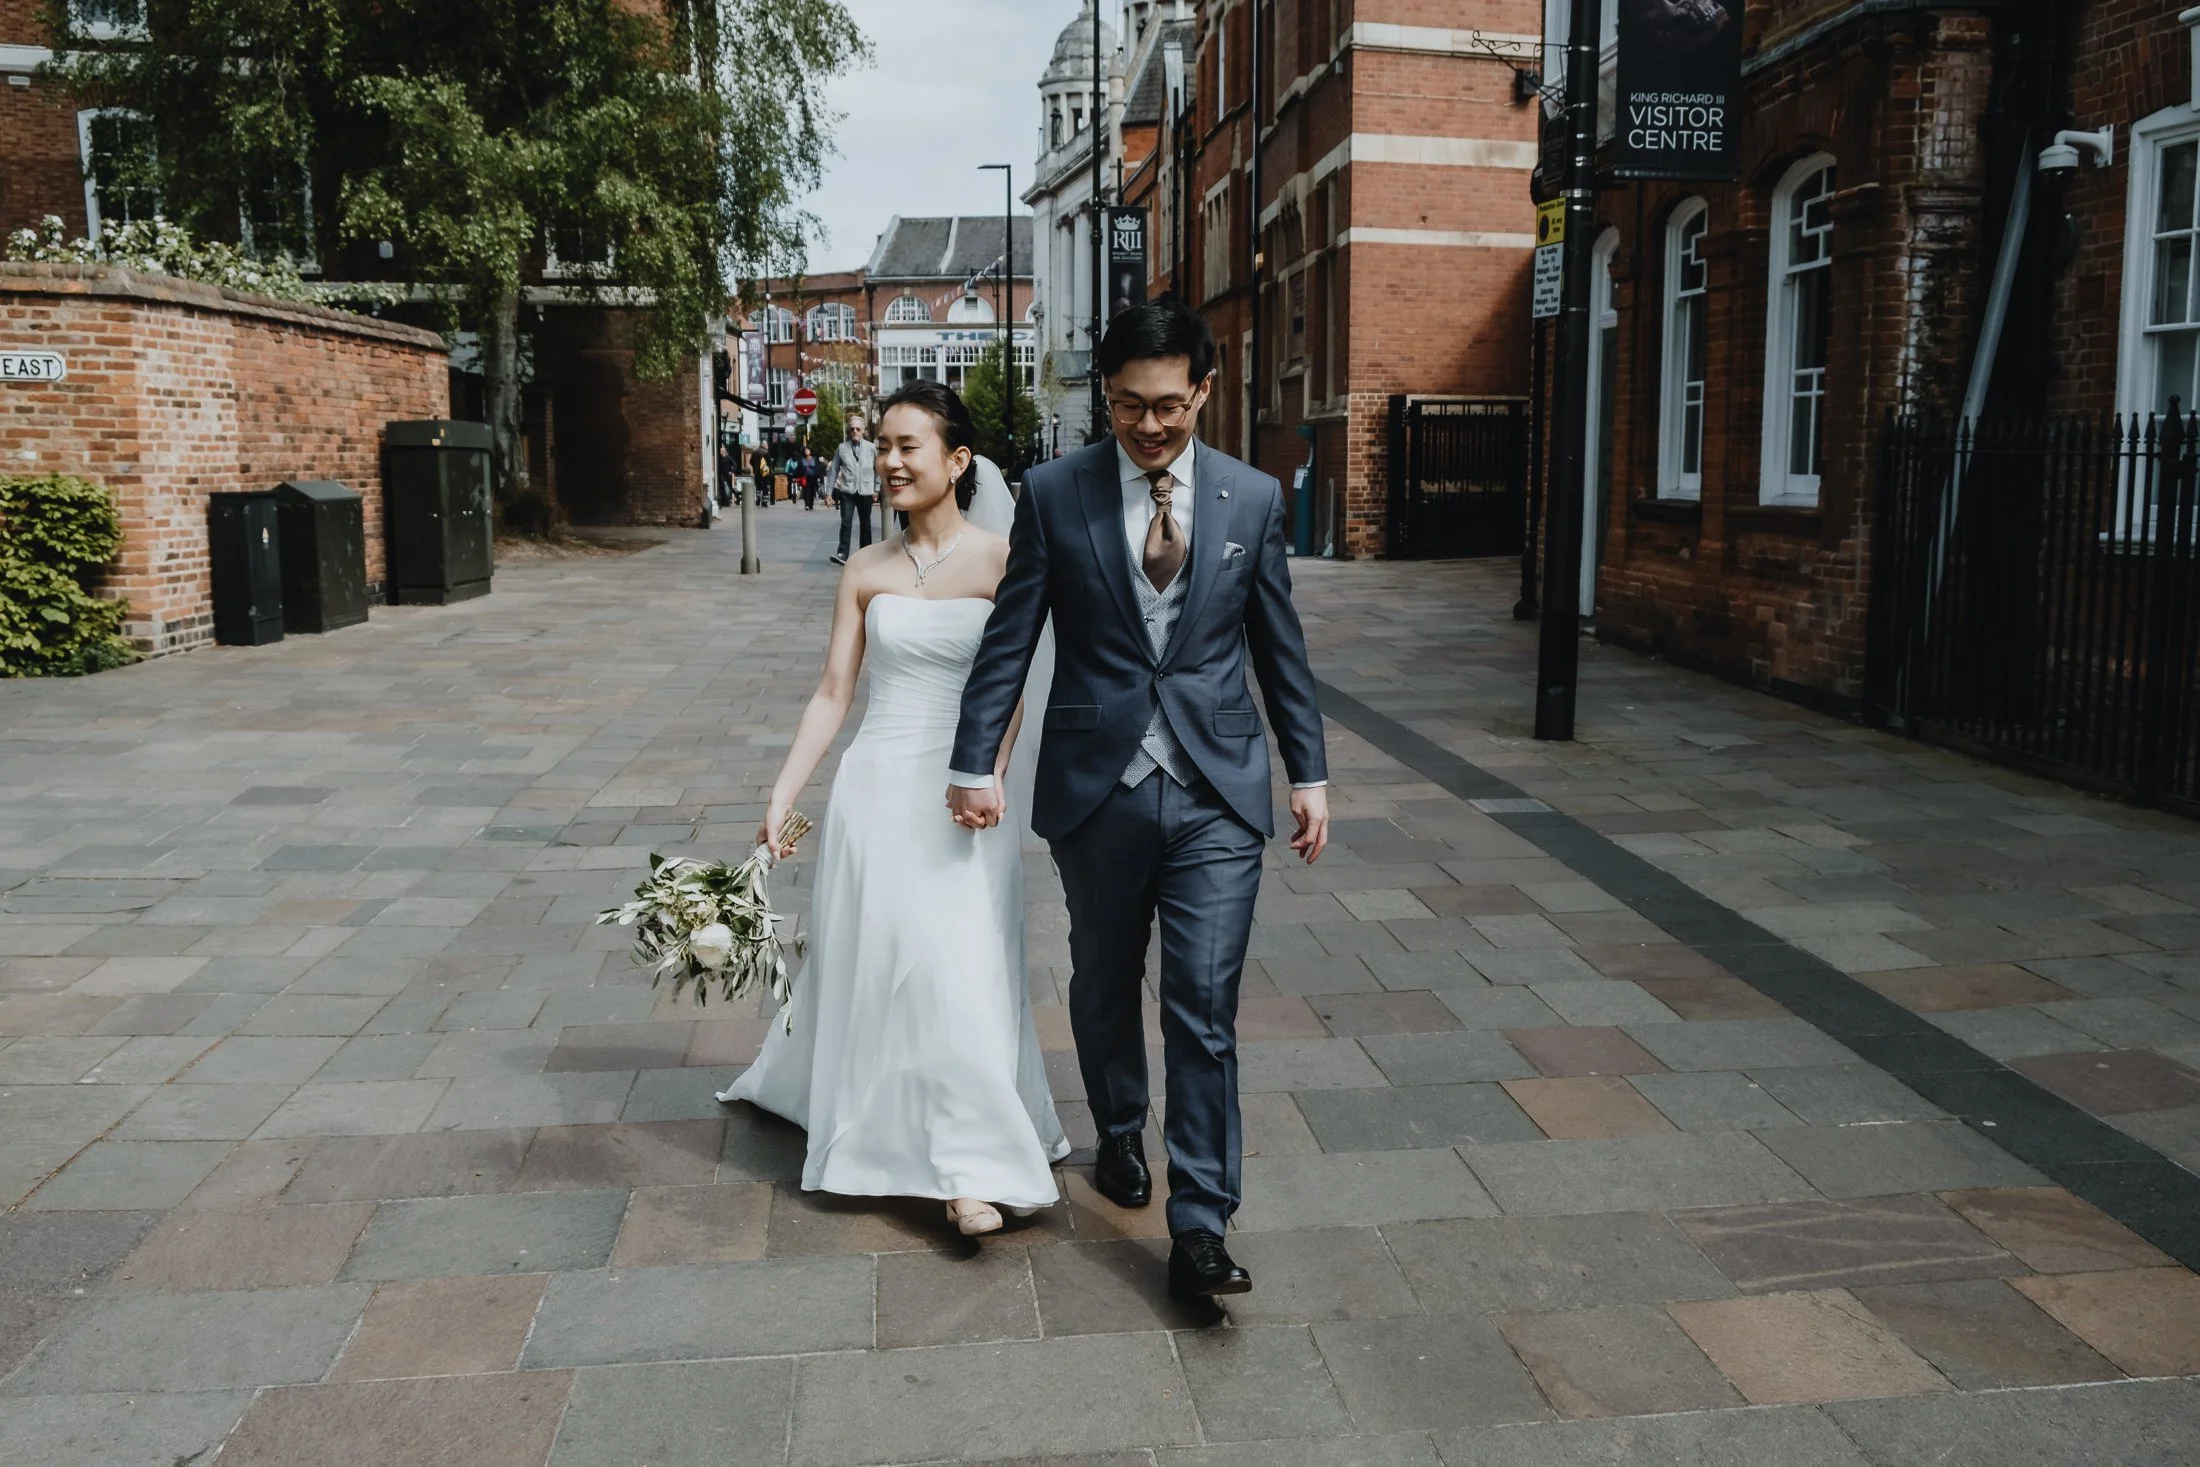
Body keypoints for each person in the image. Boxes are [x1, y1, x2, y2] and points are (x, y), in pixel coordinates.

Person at [947, 296, 1329, 1303]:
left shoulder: (1250, 498)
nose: (1148, 426)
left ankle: (1199, 1223)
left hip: (1217, 791)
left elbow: (1277, 647)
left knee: (1203, 1007)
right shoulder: (1056, 493)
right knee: (1104, 981)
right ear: (1103, 398)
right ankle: (1120, 1128)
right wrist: (972, 760)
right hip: (1096, 790)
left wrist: (1311, 774)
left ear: (1202, 390)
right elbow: (1010, 639)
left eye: (1166, 405)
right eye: (1126, 406)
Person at [722, 379, 1068, 1237]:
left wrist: (987, 768)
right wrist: (782, 792)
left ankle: (967, 1165)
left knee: (954, 968)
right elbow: (833, 693)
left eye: (908, 445)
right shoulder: (865, 568)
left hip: (963, 793)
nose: (889, 460)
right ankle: (892, 1132)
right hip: (876, 788)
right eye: (882, 444)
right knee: (884, 960)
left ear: (957, 461)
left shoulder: (1001, 559)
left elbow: (1015, 684)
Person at [827, 418, 877, 566]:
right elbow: (834, 470)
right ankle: (842, 553)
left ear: (862, 431)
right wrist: (828, 493)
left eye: (857, 429)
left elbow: (878, 469)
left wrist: (877, 488)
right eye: (852, 429)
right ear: (849, 431)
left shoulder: (871, 448)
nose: (855, 431)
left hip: (866, 490)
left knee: (866, 524)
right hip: (847, 490)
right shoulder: (842, 448)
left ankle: (866, 553)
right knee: (846, 522)